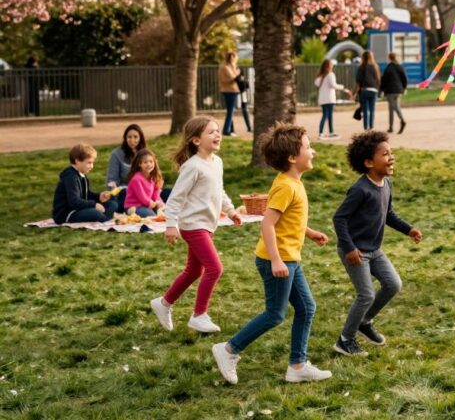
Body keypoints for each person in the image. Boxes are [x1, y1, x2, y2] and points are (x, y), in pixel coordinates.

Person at [213, 124, 332, 385]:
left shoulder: (293, 183)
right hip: (276, 260)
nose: (312, 152)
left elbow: (289, 220)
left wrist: (309, 233)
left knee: (306, 308)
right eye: (308, 147)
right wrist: (277, 260)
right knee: (275, 314)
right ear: (292, 157)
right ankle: (229, 349)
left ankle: (297, 365)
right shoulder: (286, 187)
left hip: (290, 258)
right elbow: (268, 223)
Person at [332, 130, 423, 357]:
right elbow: (339, 218)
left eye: (391, 153)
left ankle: (364, 321)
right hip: (354, 251)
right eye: (385, 154)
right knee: (366, 295)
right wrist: (350, 248)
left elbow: (388, 214)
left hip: (374, 250)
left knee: (393, 284)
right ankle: (345, 339)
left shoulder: (387, 184)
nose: (391, 157)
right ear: (369, 162)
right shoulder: (360, 189)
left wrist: (408, 229)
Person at [150, 116, 242, 334]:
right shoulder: (191, 167)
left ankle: (163, 303)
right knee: (214, 268)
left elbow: (219, 191)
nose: (217, 134)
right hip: (193, 225)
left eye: (218, 130)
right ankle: (199, 315)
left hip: (207, 225)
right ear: (195, 141)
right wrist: (170, 225)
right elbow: (175, 199)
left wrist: (230, 211)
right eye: (211, 132)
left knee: (194, 270)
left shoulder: (216, 162)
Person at [52, 143, 117, 224]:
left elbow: (86, 194)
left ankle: (104, 217)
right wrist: (94, 205)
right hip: (67, 213)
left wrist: (99, 196)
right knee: (95, 213)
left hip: (79, 208)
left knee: (113, 204)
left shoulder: (82, 175)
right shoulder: (70, 177)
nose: (92, 166)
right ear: (77, 161)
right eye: (89, 163)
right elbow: (74, 201)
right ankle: (104, 217)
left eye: (92, 163)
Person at [314, 59, 351, 140]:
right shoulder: (330, 75)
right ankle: (321, 133)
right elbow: (333, 85)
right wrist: (343, 87)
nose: (332, 66)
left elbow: (316, 83)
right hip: (329, 99)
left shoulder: (321, 76)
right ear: (328, 66)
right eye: (331, 64)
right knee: (327, 115)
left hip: (323, 99)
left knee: (328, 115)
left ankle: (330, 132)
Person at [123, 148, 165, 218]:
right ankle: (131, 212)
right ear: (140, 164)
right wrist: (151, 203)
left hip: (148, 205)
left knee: (166, 212)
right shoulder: (136, 179)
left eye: (151, 162)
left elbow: (156, 195)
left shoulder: (153, 177)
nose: (149, 164)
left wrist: (158, 203)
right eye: (145, 162)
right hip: (135, 206)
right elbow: (142, 197)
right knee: (152, 216)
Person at [381, 52, 408, 134]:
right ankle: (391, 127)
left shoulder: (388, 68)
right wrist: (404, 88)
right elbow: (404, 78)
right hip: (399, 90)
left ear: (389, 58)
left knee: (392, 108)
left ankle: (400, 121)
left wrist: (382, 90)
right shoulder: (400, 67)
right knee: (395, 107)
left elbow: (384, 80)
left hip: (390, 91)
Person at [354, 51, 381, 131]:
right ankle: (371, 126)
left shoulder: (361, 67)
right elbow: (378, 80)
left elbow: (358, 82)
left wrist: (354, 93)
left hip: (364, 90)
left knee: (365, 110)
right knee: (372, 110)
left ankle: (366, 128)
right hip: (373, 90)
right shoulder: (375, 67)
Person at [218, 52, 241, 137]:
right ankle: (226, 130)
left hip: (231, 90)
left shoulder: (227, 66)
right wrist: (237, 73)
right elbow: (231, 78)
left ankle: (231, 129)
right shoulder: (226, 67)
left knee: (230, 111)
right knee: (230, 111)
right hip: (229, 90)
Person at [236, 68, 253, 133]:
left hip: (243, 96)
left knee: (245, 111)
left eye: (238, 70)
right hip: (237, 96)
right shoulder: (236, 78)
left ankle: (249, 127)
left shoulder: (242, 78)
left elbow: (247, 86)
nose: (236, 71)